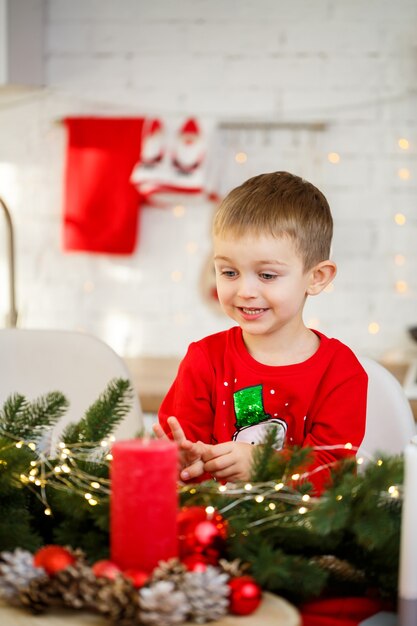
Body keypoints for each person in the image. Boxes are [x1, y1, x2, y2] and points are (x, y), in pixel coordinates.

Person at [153, 171, 367, 494]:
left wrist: (264, 465)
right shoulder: (205, 360)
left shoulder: (341, 372)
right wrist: (181, 463)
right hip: (212, 530)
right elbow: (178, 449)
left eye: (266, 275)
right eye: (229, 272)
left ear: (317, 277)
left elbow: (331, 470)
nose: (245, 290)